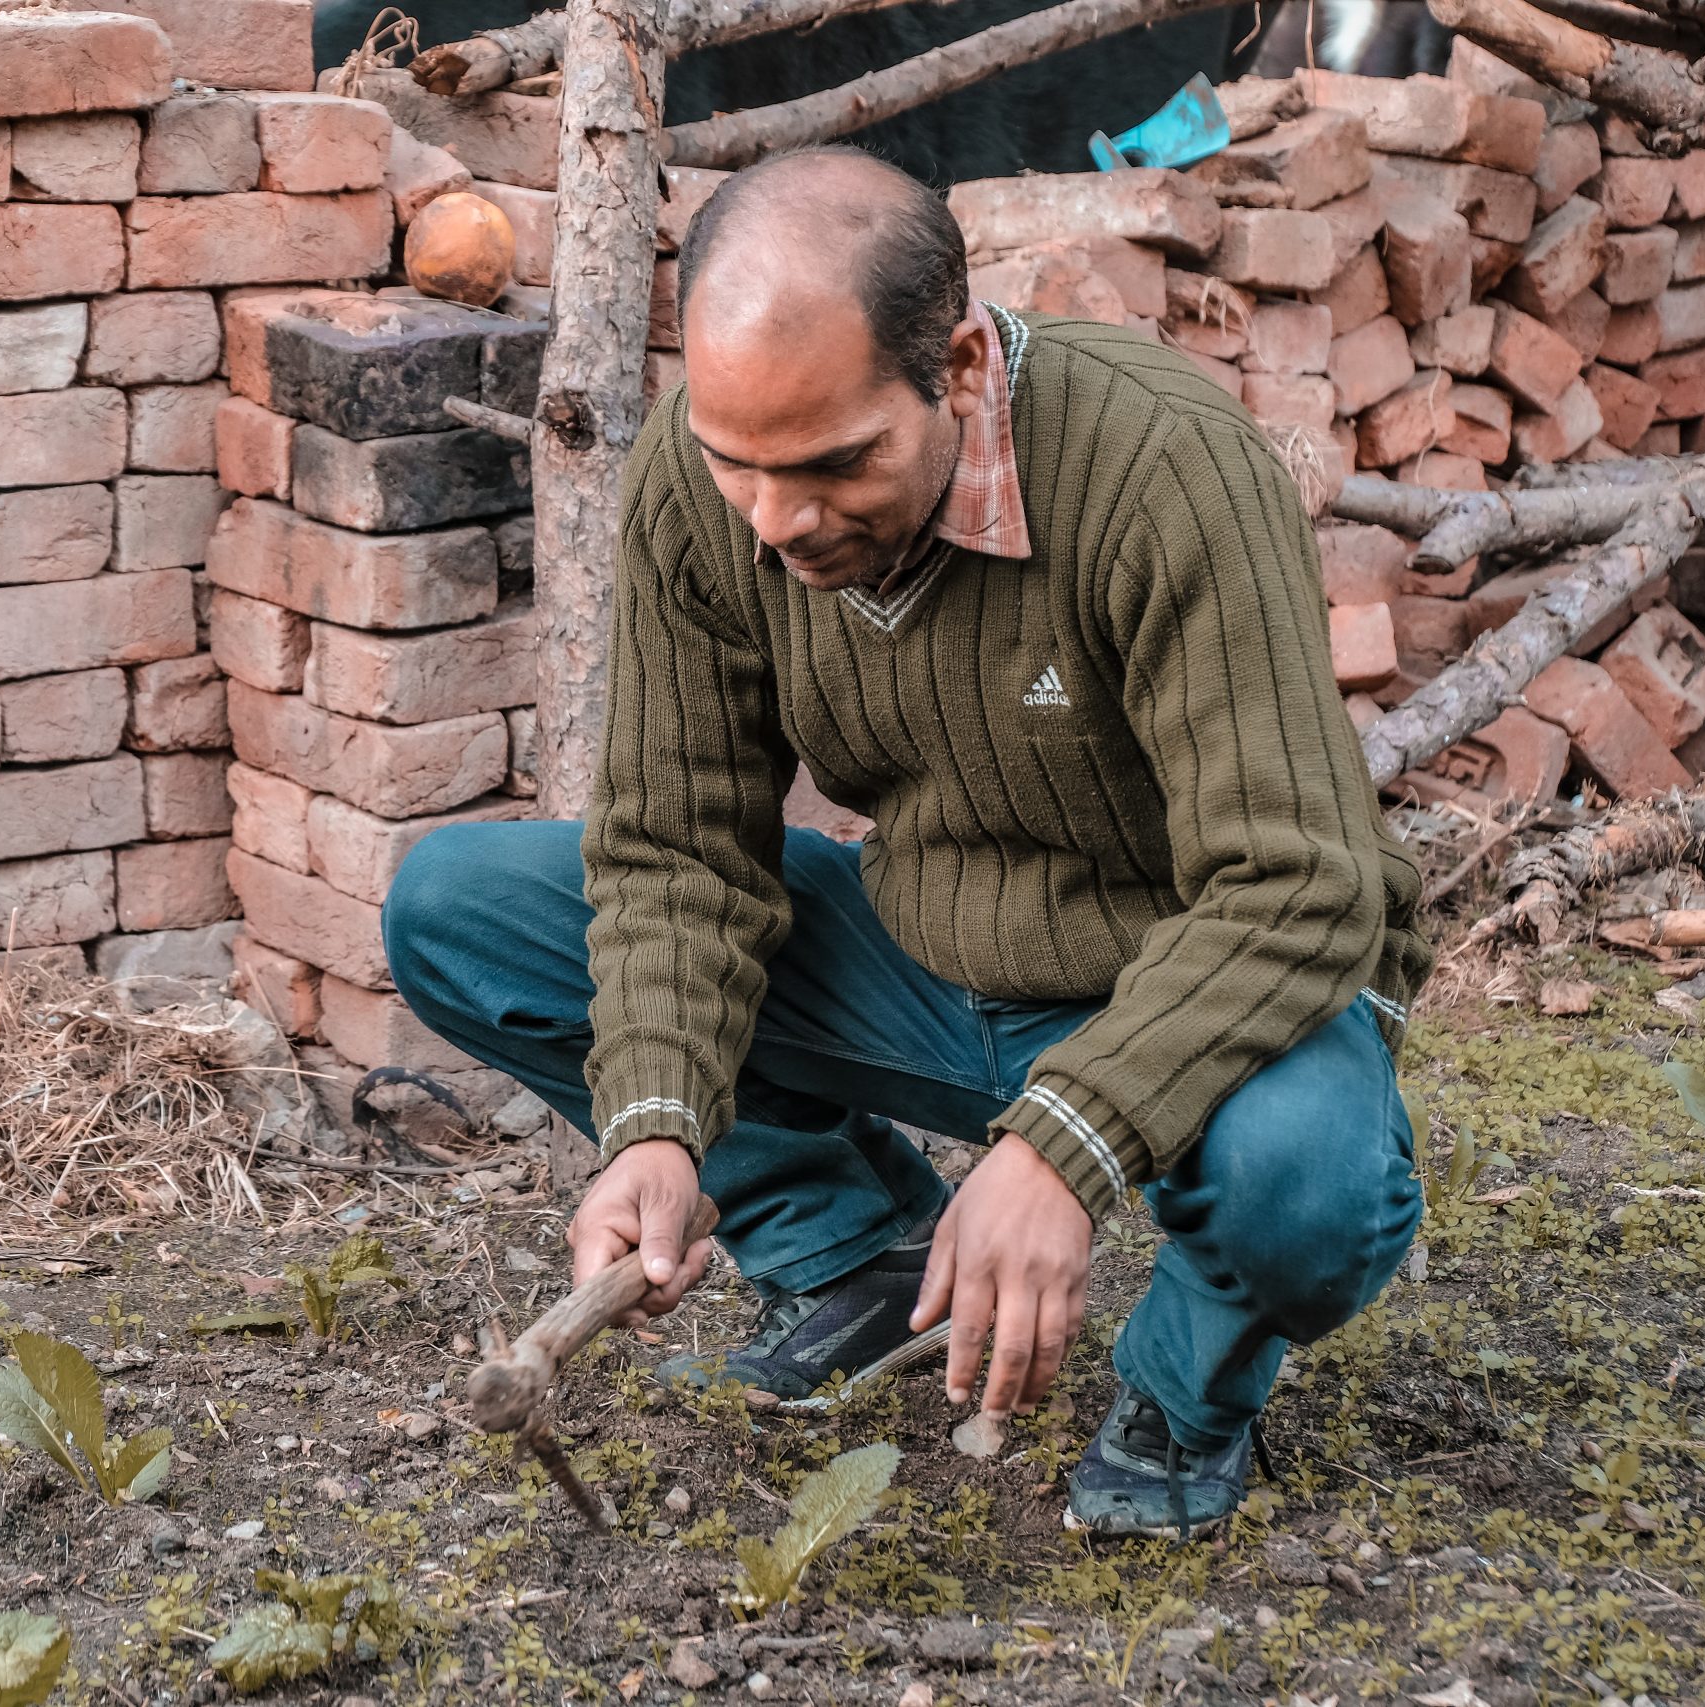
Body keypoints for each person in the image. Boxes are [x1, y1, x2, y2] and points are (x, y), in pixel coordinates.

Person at [382, 148, 1432, 1539]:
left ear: (958, 363)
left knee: (1310, 1185)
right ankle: (850, 1252)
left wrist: (1065, 1141)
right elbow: (680, 851)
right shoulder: (706, 494)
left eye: (833, 465)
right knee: (462, 908)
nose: (777, 522)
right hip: (932, 969)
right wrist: (654, 1116)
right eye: (734, 462)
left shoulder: (1164, 468)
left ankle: (1188, 1388)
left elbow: (1303, 885)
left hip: (1195, 975)